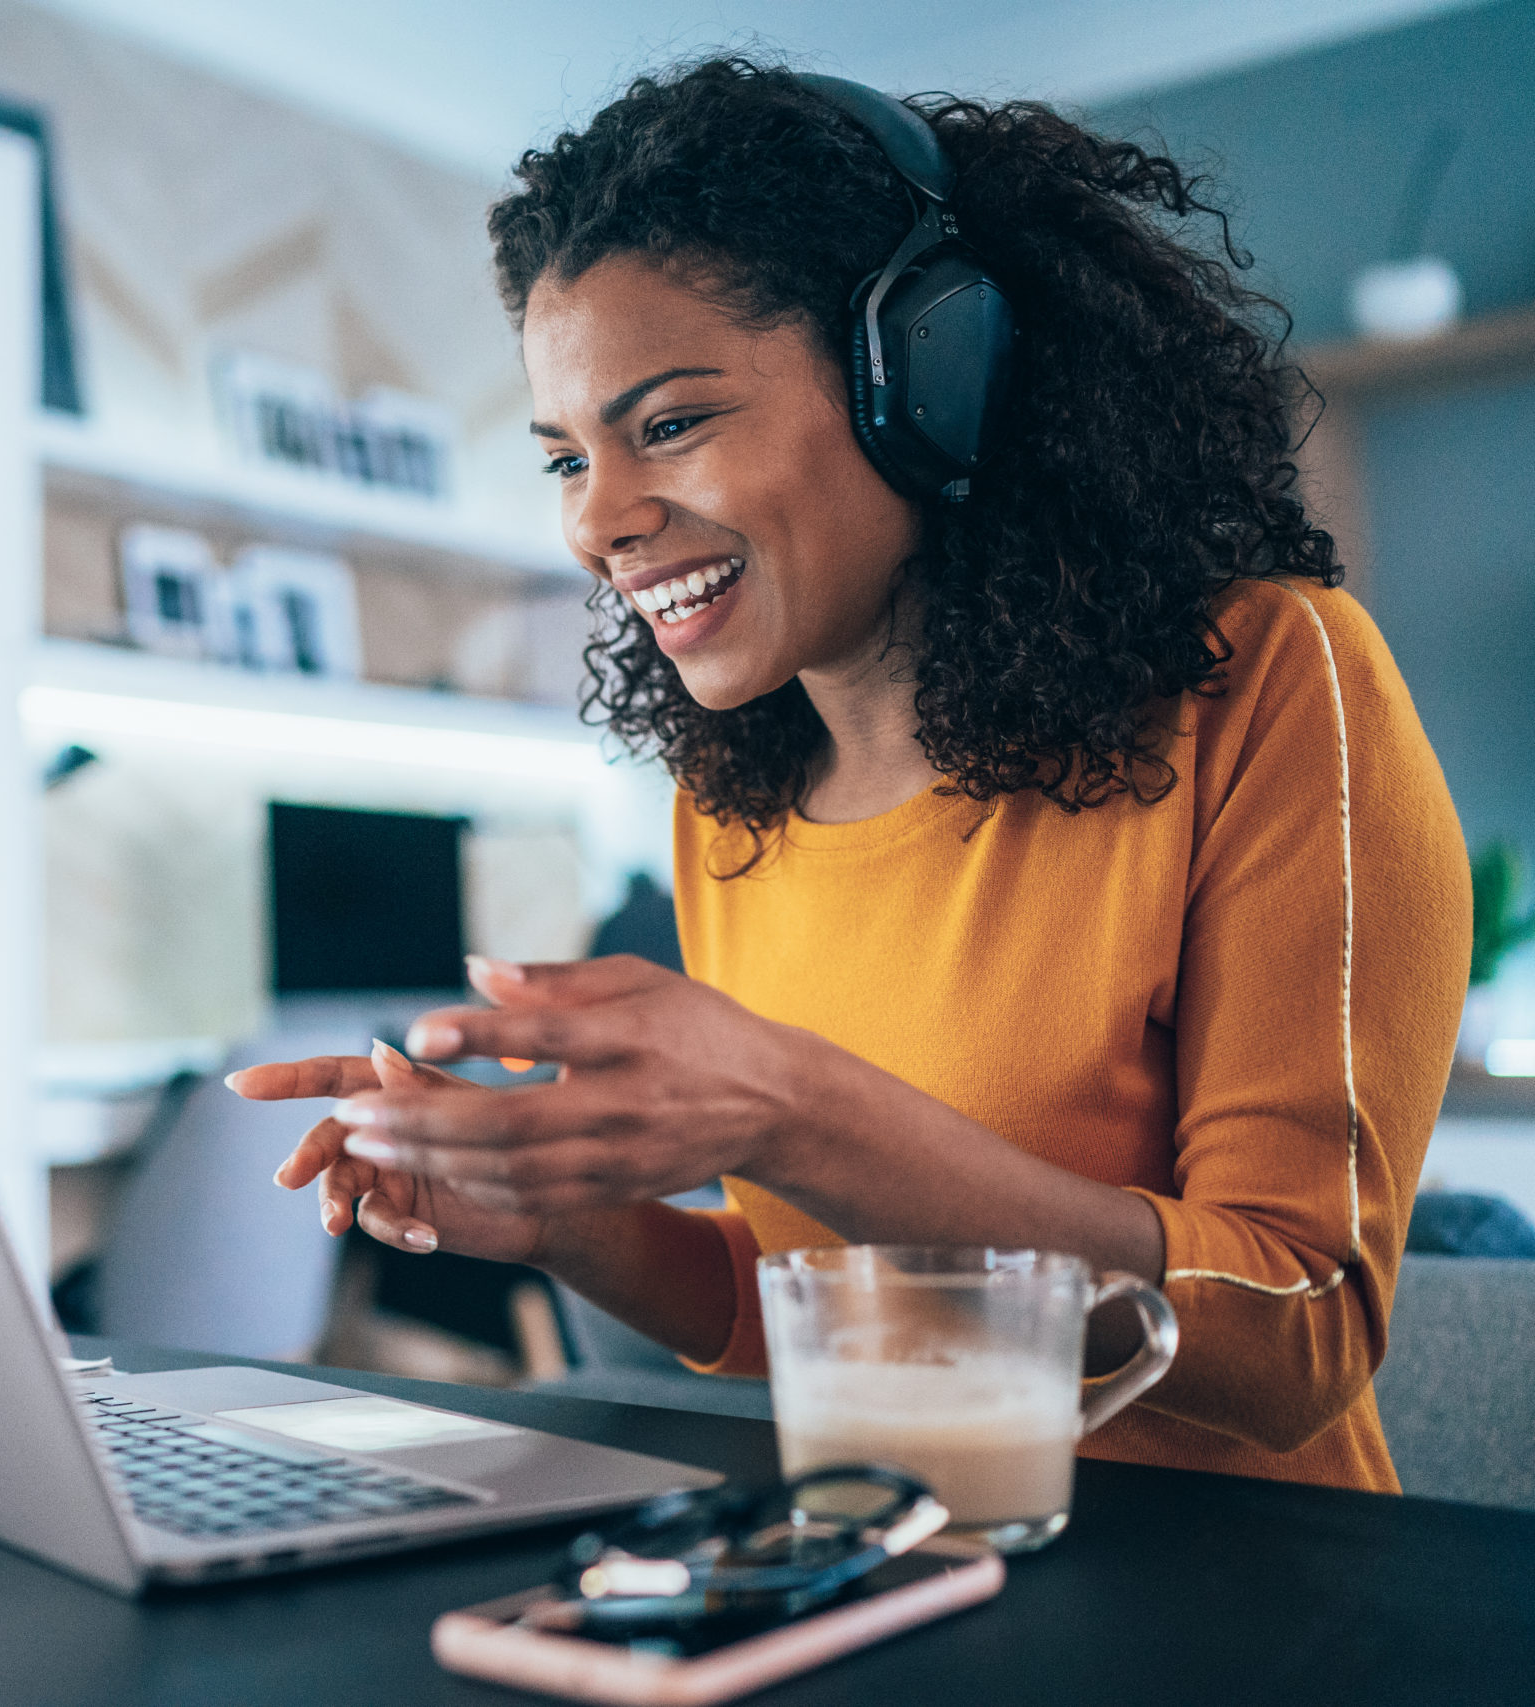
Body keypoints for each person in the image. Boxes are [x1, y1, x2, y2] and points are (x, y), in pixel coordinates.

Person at [229, 59, 1469, 1492]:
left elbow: (1299, 1332)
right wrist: (564, 1218)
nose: (600, 522)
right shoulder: (733, 799)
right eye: (566, 456)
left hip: (1228, 1603)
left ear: (922, 377)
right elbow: (817, 1303)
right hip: (878, 1569)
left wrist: (787, 1108)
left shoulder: (1267, 683)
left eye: (671, 424)